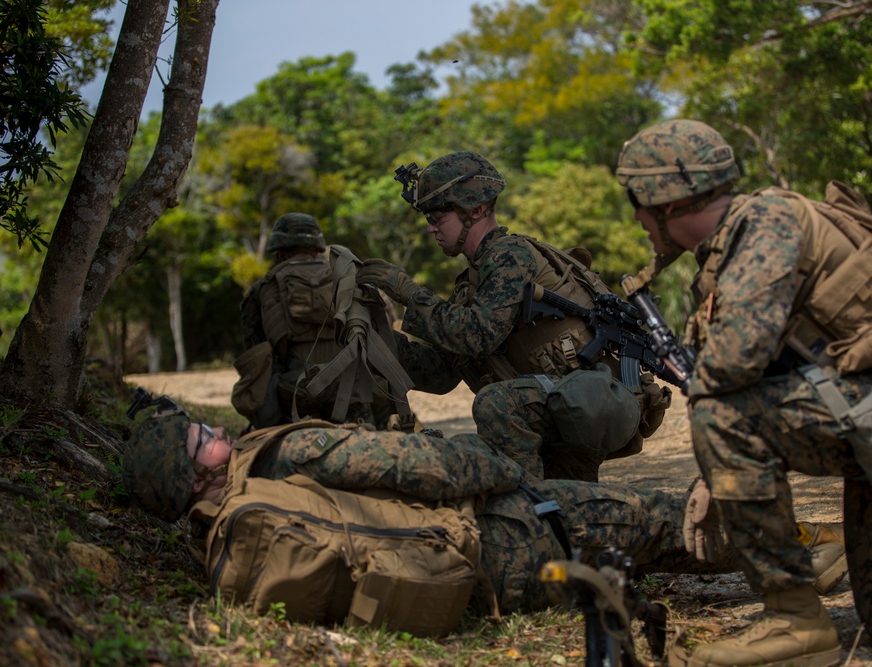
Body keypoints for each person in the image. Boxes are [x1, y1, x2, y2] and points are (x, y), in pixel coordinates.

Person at [616, 119, 872, 667]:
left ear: (663, 200)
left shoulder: (765, 222)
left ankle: (794, 620)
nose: (634, 216)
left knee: (720, 413)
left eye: (635, 199)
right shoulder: (734, 245)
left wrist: (713, 474)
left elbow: (734, 364)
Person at [121, 391, 736, 619]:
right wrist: (508, 473)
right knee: (656, 517)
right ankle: (786, 550)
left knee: (630, 552)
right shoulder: (289, 453)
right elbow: (422, 467)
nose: (216, 434)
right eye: (202, 441)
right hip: (500, 531)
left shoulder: (226, 538)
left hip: (466, 584)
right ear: (190, 479)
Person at [357, 151, 671, 482]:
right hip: (561, 406)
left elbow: (476, 334)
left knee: (497, 405)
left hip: (584, 404)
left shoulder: (510, 257)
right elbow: (442, 372)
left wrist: (406, 291)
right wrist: (378, 341)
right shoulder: (474, 280)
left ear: (475, 211)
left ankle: (526, 505)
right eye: (428, 220)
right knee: (572, 510)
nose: (431, 229)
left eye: (437, 218)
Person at [236, 212, 415, 432]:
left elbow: (255, 356)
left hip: (296, 396)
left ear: (280, 251)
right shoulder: (352, 279)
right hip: (356, 391)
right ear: (318, 247)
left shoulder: (262, 289)